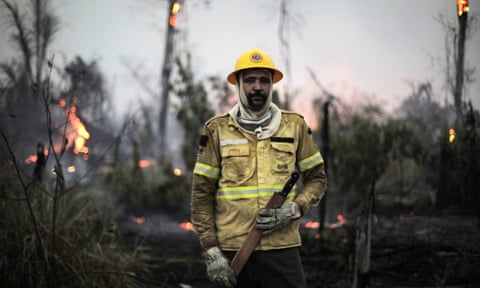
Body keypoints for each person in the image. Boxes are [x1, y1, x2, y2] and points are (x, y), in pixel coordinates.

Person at [190, 48, 327, 288]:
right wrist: (211, 252)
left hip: (281, 250)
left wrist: (293, 210)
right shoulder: (216, 130)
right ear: (239, 85)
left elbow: (317, 178)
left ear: (271, 85)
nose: (257, 87)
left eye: (264, 80)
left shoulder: (294, 126)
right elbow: (201, 195)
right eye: (250, 80)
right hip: (233, 250)